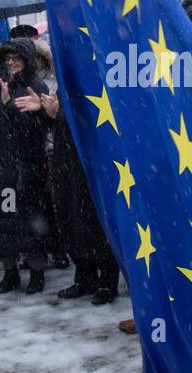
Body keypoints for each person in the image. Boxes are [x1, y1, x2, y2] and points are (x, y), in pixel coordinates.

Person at [16, 86, 123, 304]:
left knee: (95, 223)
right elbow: (55, 125)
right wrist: (44, 112)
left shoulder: (94, 78)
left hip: (93, 165)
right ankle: (84, 277)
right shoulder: (65, 81)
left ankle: (107, 281)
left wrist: (62, 116)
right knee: (70, 219)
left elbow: (95, 122)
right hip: (65, 164)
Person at [0, 38, 53, 293]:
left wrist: (9, 105)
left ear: (27, 60)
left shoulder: (36, 87)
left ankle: (37, 271)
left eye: (16, 59)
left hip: (25, 168)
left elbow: (35, 130)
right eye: (7, 59)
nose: (11, 63)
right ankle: (10, 271)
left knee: (27, 222)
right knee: (3, 223)